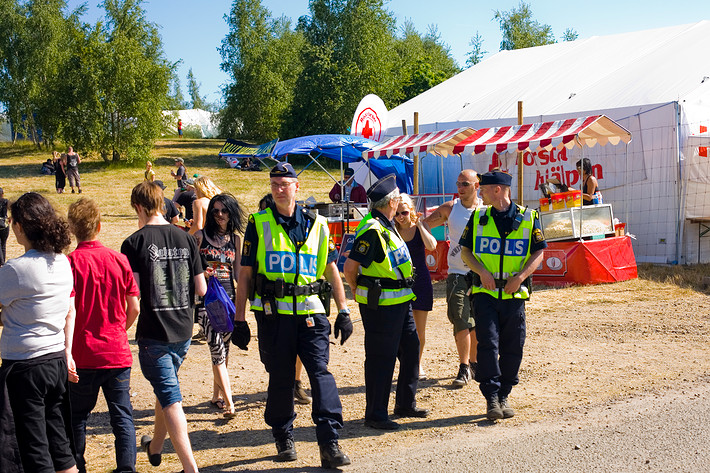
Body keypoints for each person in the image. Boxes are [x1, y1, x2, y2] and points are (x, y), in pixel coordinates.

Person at [234, 162, 352, 468]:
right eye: (274, 185)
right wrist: (239, 318)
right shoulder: (258, 223)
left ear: (296, 187)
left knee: (320, 373)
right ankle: (283, 435)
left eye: (285, 184)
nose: (279, 189)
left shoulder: (318, 224)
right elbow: (245, 274)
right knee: (281, 378)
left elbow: (330, 269)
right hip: (274, 316)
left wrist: (344, 310)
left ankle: (329, 441)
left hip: (312, 313)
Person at [120, 181, 206, 473]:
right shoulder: (186, 238)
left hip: (154, 332)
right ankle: (155, 447)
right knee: (165, 390)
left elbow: (133, 294)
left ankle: (190, 468)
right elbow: (202, 288)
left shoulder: (133, 243)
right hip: (183, 329)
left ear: (139, 207)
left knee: (170, 398)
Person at [343, 174, 429, 431]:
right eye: (398, 197)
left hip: (400, 302)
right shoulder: (372, 230)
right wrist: (356, 287)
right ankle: (376, 413)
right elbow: (350, 267)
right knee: (382, 359)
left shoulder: (386, 224)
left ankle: (405, 403)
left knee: (411, 349)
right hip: (381, 305)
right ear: (391, 201)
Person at [0, 192, 78, 473]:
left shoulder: (16, 270)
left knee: (34, 447)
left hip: (25, 365)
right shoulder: (62, 261)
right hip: (55, 359)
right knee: (59, 442)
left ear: (20, 226)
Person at [459, 171, 546, 421]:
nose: (480, 193)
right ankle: (492, 397)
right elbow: (466, 252)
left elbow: (538, 253)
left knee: (513, 347)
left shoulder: (529, 217)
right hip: (485, 293)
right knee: (487, 344)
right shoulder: (478, 216)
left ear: (497, 190)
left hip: (514, 294)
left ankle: (505, 392)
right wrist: (482, 271)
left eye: (483, 188)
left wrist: (519, 278)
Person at [66, 198, 140, 473]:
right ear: (99, 226)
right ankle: (126, 468)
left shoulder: (69, 264)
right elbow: (134, 306)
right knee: (122, 416)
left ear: (73, 229)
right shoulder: (119, 260)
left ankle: (78, 464)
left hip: (82, 353)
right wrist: (121, 329)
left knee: (77, 416)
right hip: (115, 351)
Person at [424, 169, 483, 388]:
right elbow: (424, 224)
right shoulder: (450, 208)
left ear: (476, 186)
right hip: (457, 272)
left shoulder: (486, 210)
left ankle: (474, 363)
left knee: (477, 320)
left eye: (465, 184)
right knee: (460, 318)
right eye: (458, 183)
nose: (460, 188)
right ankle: (463, 367)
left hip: (480, 273)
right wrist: (428, 242)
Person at [194, 193, 246, 418]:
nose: (219, 215)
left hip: (228, 299)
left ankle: (216, 395)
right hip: (206, 299)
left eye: (224, 210)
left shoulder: (235, 240)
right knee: (216, 347)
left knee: (225, 348)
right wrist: (202, 273)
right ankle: (229, 400)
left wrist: (244, 300)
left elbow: (238, 273)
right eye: (215, 211)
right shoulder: (198, 236)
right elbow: (190, 268)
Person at [257, 193, 312, 404]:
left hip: (294, 303)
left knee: (296, 348)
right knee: (272, 353)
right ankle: (280, 383)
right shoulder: (261, 227)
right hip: (268, 303)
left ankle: (295, 383)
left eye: (265, 208)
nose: (262, 212)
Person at [394, 194, 437, 378]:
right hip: (398, 284)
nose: (400, 217)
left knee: (419, 330)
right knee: (399, 330)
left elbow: (432, 246)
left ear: (411, 210)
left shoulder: (420, 227)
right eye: (396, 213)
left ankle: (417, 365)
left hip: (420, 282)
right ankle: (406, 364)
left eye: (404, 212)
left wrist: (420, 224)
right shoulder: (392, 230)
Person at [0, 187, 8, 266]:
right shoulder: (5, 201)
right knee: (3, 244)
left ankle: (1, 263)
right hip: (4, 225)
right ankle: (3, 262)